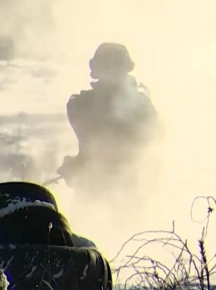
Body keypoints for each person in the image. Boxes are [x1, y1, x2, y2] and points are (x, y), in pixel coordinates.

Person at [57, 43, 161, 188]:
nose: (112, 73)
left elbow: (155, 137)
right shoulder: (82, 104)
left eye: (116, 67)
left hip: (126, 185)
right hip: (96, 185)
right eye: (108, 67)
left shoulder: (81, 104)